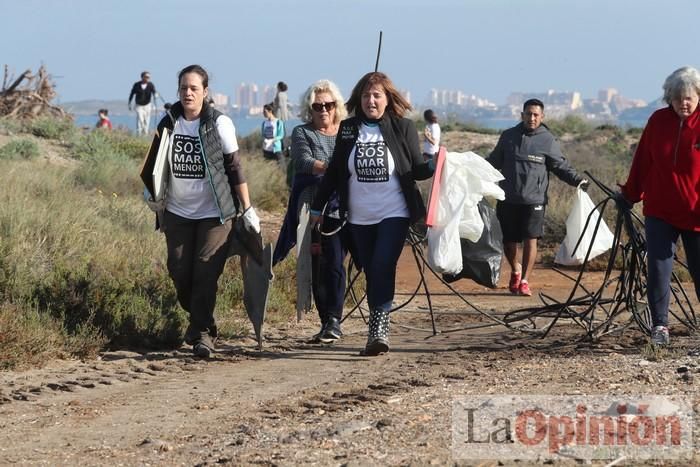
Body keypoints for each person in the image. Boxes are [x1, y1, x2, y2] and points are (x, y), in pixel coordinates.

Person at [310, 71, 434, 356]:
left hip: (394, 212)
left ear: (388, 99)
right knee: (371, 269)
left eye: (377, 95)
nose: (371, 100)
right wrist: (318, 207)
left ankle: (378, 329)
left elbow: (415, 169)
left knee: (381, 265)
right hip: (358, 217)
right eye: (366, 95)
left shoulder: (402, 127)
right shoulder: (349, 129)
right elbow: (335, 172)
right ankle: (378, 323)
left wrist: (435, 163)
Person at [144, 64, 261, 358]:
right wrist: (152, 191)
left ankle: (204, 336)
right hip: (177, 211)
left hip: (216, 213)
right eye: (184, 87)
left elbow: (235, 169)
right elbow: (155, 161)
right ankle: (202, 322)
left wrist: (247, 208)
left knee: (206, 271)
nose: (188, 93)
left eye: (194, 88)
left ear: (205, 92)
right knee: (179, 270)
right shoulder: (169, 121)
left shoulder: (219, 124)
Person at [618, 66, 700, 347]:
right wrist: (630, 194)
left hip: (696, 214)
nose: (683, 103)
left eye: (688, 98)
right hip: (660, 211)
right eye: (677, 98)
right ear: (669, 98)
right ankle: (660, 326)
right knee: (658, 269)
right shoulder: (658, 121)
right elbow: (643, 160)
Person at [487, 98, 587, 297]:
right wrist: (470, 169)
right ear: (522, 114)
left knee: (531, 239)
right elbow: (493, 162)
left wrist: (579, 181)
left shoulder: (547, 140)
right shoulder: (508, 136)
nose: (531, 118)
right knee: (509, 242)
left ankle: (524, 281)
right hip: (508, 198)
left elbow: (560, 166)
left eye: (535, 115)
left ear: (542, 117)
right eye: (528, 114)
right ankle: (515, 270)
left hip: (535, 200)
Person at [272, 79, 348, 342]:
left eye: (329, 105)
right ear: (310, 109)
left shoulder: (348, 131)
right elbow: (303, 161)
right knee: (321, 264)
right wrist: (333, 168)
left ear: (337, 106)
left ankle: (340, 319)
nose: (324, 110)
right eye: (318, 106)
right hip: (315, 208)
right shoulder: (302, 133)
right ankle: (329, 320)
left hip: (348, 206)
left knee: (338, 263)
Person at [128, 71, 158, 136]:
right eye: (146, 77)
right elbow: (132, 94)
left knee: (146, 120)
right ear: (142, 77)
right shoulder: (137, 85)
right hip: (139, 106)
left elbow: (154, 92)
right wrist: (129, 103)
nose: (148, 78)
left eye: (149, 77)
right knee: (140, 119)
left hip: (147, 105)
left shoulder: (150, 85)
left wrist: (156, 95)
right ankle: (139, 134)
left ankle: (145, 134)